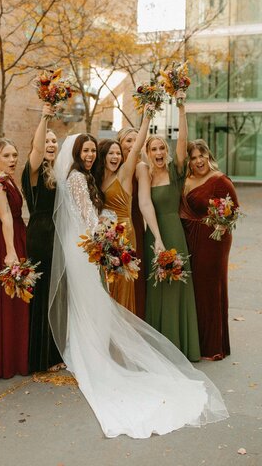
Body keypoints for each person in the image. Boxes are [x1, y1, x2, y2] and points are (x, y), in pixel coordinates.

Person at [49, 133, 228, 438]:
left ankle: (89, 349)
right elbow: (87, 215)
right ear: (78, 153)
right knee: (91, 298)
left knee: (91, 299)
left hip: (91, 242)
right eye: (87, 150)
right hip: (88, 243)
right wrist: (105, 242)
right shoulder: (79, 178)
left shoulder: (85, 176)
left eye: (94, 150)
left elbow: (96, 212)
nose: (92, 155)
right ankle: (90, 351)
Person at [137, 91, 200, 361]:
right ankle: (159, 350)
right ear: (148, 153)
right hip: (155, 233)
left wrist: (182, 107)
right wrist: (157, 239)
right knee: (158, 288)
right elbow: (145, 205)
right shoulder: (144, 173)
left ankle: (182, 346)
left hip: (175, 231)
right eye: (155, 149)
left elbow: (183, 141)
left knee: (178, 284)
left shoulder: (175, 171)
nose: (160, 152)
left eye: (162, 148)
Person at [180, 139, 239, 360]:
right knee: (194, 290)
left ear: (208, 156)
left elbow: (233, 210)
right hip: (189, 238)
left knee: (210, 289)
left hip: (214, 242)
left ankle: (213, 345)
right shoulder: (186, 180)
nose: (198, 161)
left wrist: (221, 225)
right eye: (193, 157)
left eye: (201, 155)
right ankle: (195, 342)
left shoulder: (219, 180)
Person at [21, 104, 64, 373]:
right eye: (46, 140)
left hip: (57, 234)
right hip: (40, 233)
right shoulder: (33, 171)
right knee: (42, 293)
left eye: (54, 141)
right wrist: (45, 117)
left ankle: (54, 350)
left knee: (54, 294)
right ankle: (41, 356)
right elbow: (37, 150)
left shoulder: (57, 171)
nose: (50, 144)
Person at [96, 107, 151, 314]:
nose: (115, 157)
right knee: (105, 285)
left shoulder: (125, 173)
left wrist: (147, 117)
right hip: (103, 236)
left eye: (118, 154)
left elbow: (136, 149)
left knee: (122, 285)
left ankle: (123, 335)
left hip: (124, 234)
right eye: (111, 153)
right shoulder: (98, 178)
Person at [0, 138, 29, 379]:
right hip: (5, 241)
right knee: (9, 299)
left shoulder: (7, 179)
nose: (13, 160)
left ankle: (17, 355)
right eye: (7, 156)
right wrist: (11, 252)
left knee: (18, 299)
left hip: (15, 237)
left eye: (15, 155)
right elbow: (5, 218)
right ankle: (8, 360)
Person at [116, 126, 146, 318]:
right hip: (112, 225)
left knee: (134, 272)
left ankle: (136, 317)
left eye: (136, 140)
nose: (132, 144)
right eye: (128, 140)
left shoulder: (140, 168)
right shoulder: (112, 165)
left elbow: (145, 202)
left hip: (133, 223)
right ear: (120, 143)